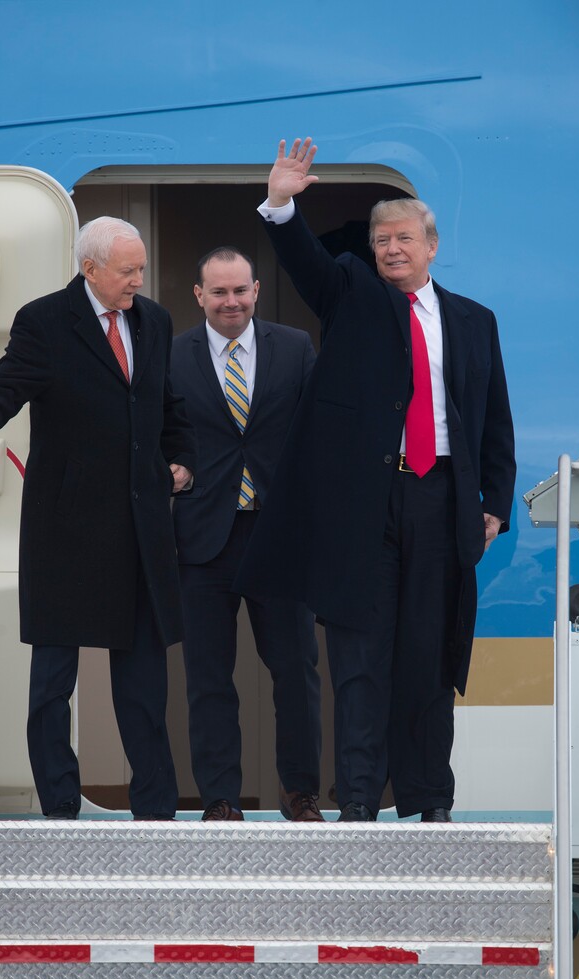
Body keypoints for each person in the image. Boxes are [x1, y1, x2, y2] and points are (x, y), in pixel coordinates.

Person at [236, 138, 516, 823]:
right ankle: (359, 801)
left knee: (429, 657)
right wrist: (280, 203)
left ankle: (429, 801)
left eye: (403, 239)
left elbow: (495, 422)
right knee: (360, 661)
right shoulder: (353, 293)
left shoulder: (475, 322)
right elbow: (307, 264)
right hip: (367, 504)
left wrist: (495, 505)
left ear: (431, 245)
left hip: (441, 500)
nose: (390, 249)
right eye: (380, 239)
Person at [0, 217, 196, 821]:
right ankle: (59, 808)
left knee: (145, 686)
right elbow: (3, 386)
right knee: (53, 684)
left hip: (139, 529)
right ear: (90, 268)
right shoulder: (46, 321)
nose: (139, 280)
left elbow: (167, 404)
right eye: (128, 271)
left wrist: (181, 460)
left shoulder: (152, 320)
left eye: (142, 268)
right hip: (67, 527)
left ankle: (155, 811)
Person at [170, 246, 322, 822]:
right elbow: (161, 433)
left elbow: (318, 434)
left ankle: (301, 794)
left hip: (278, 536)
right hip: (202, 539)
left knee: (296, 672)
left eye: (240, 291)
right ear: (199, 295)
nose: (230, 302)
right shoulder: (172, 353)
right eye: (218, 292)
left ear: (256, 290)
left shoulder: (295, 347)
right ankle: (220, 799)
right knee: (209, 677)